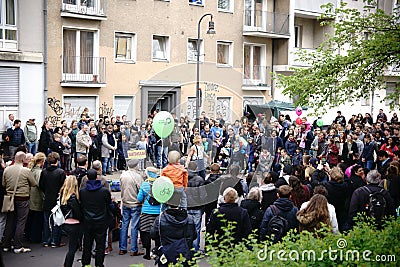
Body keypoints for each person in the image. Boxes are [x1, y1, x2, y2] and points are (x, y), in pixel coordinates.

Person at [1, 152, 37, 253]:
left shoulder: (7, 169)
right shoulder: (26, 171)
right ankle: (18, 245)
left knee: (10, 221)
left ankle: (6, 244)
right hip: (23, 198)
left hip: (10, 198)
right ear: (22, 159)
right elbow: (34, 183)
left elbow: (3, 183)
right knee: (21, 221)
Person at [150, 191, 197, 267]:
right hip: (184, 253)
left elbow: (153, 234)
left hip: (166, 253)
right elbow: (194, 235)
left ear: (167, 201)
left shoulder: (160, 219)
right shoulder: (189, 219)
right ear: (180, 201)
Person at [80, 169, 112, 267]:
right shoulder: (104, 192)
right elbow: (109, 205)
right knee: (100, 245)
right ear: (97, 177)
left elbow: (81, 205)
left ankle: (86, 264)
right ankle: (99, 264)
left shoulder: (82, 192)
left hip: (87, 221)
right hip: (101, 221)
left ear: (87, 178)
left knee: (87, 244)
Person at [39, 152, 66, 248]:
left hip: (47, 198)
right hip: (57, 199)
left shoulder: (44, 172)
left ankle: (46, 240)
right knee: (56, 221)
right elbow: (63, 186)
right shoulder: (61, 172)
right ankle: (55, 240)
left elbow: (41, 185)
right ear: (57, 161)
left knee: (47, 220)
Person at [119, 159, 144, 256]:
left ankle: (122, 248)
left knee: (124, 225)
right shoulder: (138, 177)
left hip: (125, 202)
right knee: (134, 226)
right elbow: (141, 191)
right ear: (136, 165)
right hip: (135, 203)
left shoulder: (123, 175)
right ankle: (134, 249)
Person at [137, 167, 161, 260]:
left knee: (145, 232)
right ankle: (157, 252)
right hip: (158, 212)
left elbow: (139, 198)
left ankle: (147, 253)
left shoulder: (144, 184)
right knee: (158, 233)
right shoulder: (160, 184)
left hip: (146, 212)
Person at [59, 176, 83, 267]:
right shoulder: (73, 198)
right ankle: (67, 264)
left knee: (74, 246)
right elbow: (78, 213)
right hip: (75, 224)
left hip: (66, 222)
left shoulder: (63, 195)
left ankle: (67, 264)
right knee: (72, 248)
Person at [25, 152, 46, 244]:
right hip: (37, 197)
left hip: (30, 196)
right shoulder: (39, 172)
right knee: (37, 219)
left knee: (30, 217)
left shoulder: (30, 170)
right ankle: (35, 237)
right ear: (42, 161)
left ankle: (28, 235)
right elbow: (39, 185)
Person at [186, 161, 207, 252]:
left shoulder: (184, 178)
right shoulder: (199, 179)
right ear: (196, 168)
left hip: (186, 206)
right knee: (197, 228)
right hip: (197, 207)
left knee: (187, 228)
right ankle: (195, 249)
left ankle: (187, 248)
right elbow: (203, 195)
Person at [322, 167, 350, 232]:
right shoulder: (346, 185)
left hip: (331, 211)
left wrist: (318, 170)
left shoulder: (327, 186)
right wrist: (337, 172)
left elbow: (314, 182)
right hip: (342, 210)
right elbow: (347, 179)